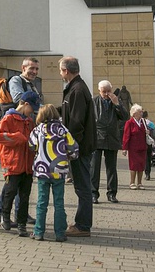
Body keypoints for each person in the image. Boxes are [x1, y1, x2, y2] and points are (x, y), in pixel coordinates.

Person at [28, 104, 78, 242]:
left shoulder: (38, 130)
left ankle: (38, 232)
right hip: (59, 170)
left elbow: (31, 145)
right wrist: (66, 156)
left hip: (42, 170)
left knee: (41, 202)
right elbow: (74, 150)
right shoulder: (63, 130)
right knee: (59, 203)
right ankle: (60, 233)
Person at [59, 56, 95, 237]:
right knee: (82, 186)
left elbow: (76, 122)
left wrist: (71, 146)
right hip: (80, 146)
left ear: (66, 70)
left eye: (60, 70)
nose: (60, 73)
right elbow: (68, 112)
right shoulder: (75, 88)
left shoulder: (77, 90)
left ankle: (82, 226)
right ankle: (82, 223)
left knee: (82, 187)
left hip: (80, 148)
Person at [0, 97, 36, 237]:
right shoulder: (8, 119)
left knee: (25, 197)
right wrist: (17, 137)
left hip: (27, 164)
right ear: (25, 104)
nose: (32, 112)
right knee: (10, 192)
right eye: (32, 108)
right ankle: (4, 215)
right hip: (12, 163)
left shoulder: (29, 121)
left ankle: (21, 224)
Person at [90, 80, 126, 204]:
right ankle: (93, 193)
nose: (106, 94)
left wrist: (117, 104)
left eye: (108, 91)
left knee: (111, 168)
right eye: (103, 91)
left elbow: (125, 117)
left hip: (112, 138)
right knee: (94, 168)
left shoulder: (116, 101)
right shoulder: (93, 102)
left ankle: (112, 194)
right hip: (97, 138)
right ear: (99, 91)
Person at [122, 104, 148, 190]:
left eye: (141, 112)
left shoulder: (143, 122)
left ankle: (140, 183)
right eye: (139, 112)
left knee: (141, 165)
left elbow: (146, 134)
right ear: (134, 113)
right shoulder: (129, 123)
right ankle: (132, 182)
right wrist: (125, 148)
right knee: (133, 165)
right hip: (133, 147)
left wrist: (148, 132)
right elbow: (126, 136)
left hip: (142, 146)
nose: (141, 113)